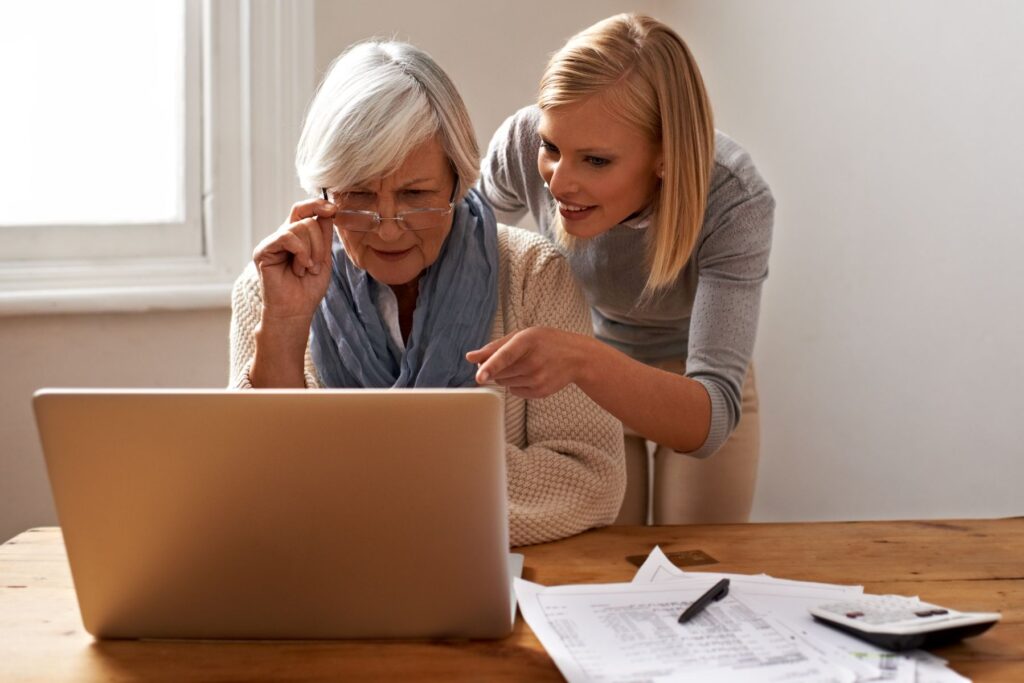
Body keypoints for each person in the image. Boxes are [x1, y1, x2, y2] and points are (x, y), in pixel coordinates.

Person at [228, 40, 625, 546]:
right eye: (359, 196)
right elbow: (253, 486)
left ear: (458, 183)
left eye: (416, 196)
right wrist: (283, 328)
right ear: (322, 195)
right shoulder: (269, 286)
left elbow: (590, 481)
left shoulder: (533, 275)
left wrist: (364, 481)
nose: (389, 231)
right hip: (325, 579)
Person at [473, 13, 774, 524]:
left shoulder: (733, 197)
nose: (559, 183)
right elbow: (453, 251)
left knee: (702, 573)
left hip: (694, 384)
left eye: (595, 161)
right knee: (603, 575)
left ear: (664, 156)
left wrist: (583, 360)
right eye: (552, 148)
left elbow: (712, 415)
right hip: (587, 374)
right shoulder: (522, 146)